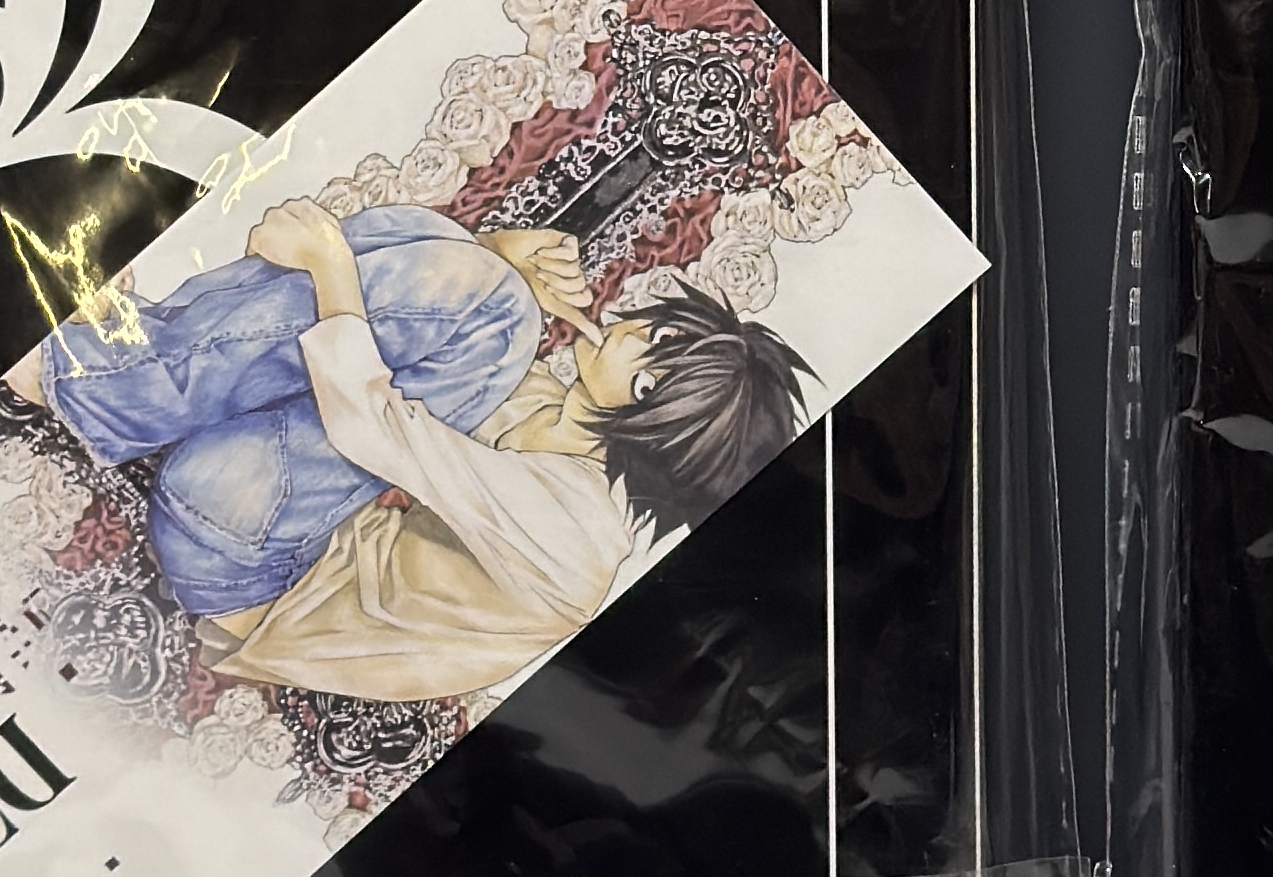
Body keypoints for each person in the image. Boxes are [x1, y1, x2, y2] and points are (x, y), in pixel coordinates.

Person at [44, 196, 811, 707]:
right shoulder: (558, 421)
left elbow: (375, 428)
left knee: (494, 306)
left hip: (244, 559)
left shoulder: (575, 533)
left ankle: (96, 383)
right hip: (261, 518)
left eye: (655, 366)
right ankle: (131, 356)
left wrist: (332, 265)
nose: (635, 330)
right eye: (662, 329)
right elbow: (420, 333)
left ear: (656, 417)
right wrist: (494, 252)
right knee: (461, 265)